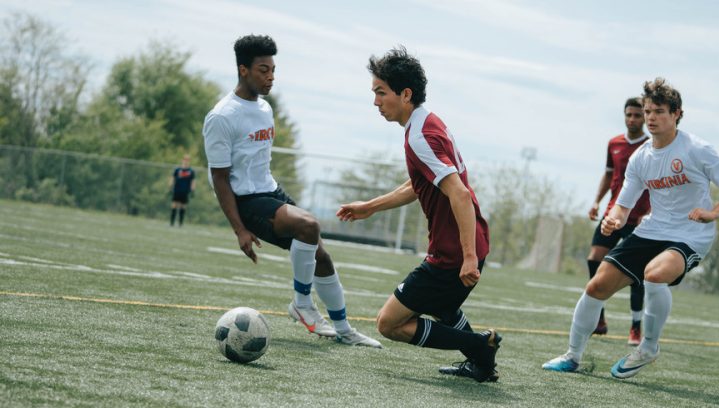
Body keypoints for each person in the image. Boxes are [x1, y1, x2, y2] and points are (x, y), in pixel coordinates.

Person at [542, 77, 719, 379]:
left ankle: (648, 348)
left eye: (659, 111)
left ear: (676, 114)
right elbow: (623, 206)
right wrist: (614, 219)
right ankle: (572, 356)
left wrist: (713, 212)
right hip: (652, 230)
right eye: (648, 111)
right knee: (596, 286)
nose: (651, 118)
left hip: (691, 234)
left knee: (655, 273)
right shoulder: (641, 158)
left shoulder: (696, 148)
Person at [202, 34, 381, 348]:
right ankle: (301, 303)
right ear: (243, 70)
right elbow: (218, 177)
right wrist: (239, 229)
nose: (270, 76)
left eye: (273, 69)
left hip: (270, 192)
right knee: (309, 225)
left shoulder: (264, 108)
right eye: (262, 70)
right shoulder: (221, 116)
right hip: (246, 201)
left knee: (322, 258)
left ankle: (344, 330)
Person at [337, 47, 500, 382]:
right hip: (464, 246)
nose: (376, 102)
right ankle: (482, 363)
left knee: (388, 323)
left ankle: (481, 346)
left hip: (453, 254)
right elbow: (420, 186)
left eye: (381, 93)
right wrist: (370, 207)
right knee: (442, 307)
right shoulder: (427, 123)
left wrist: (468, 257)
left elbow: (459, 193)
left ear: (405, 94)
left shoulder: (420, 136)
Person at [586, 97, 650, 345]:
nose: (633, 119)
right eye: (629, 115)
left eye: (637, 115)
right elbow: (609, 174)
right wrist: (596, 202)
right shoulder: (614, 143)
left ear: (644, 117)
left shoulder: (652, 145)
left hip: (640, 218)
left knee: (639, 273)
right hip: (613, 214)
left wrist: (652, 211)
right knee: (594, 259)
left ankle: (635, 327)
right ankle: (599, 318)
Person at [169, 154, 196, 227]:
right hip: (177, 190)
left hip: (185, 191)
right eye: (185, 159)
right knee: (174, 205)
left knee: (183, 207)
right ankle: (171, 223)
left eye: (188, 160)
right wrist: (170, 187)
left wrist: (193, 190)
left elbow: (193, 181)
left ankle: (180, 224)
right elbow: (172, 178)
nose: (186, 161)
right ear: (182, 160)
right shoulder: (177, 170)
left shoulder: (191, 171)